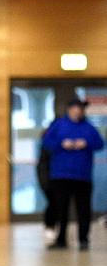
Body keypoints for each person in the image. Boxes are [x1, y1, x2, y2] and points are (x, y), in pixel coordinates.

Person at [42, 98, 104, 250]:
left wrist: (86, 143)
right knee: (61, 209)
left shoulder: (89, 127)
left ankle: (83, 239)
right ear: (70, 109)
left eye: (81, 109)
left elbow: (100, 143)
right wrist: (62, 144)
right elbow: (46, 142)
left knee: (83, 209)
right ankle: (61, 239)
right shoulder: (58, 125)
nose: (79, 111)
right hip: (61, 175)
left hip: (82, 176)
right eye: (77, 108)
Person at [36, 122, 58, 242]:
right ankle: (49, 226)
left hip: (58, 178)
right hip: (48, 179)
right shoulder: (47, 147)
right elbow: (42, 167)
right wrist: (45, 183)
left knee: (57, 203)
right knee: (53, 202)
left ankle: (55, 228)